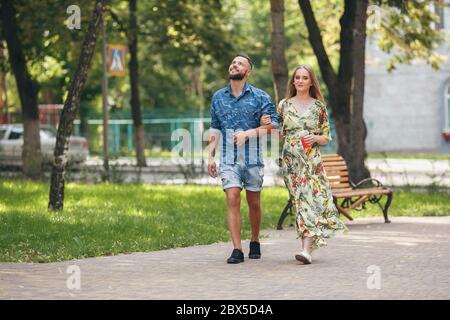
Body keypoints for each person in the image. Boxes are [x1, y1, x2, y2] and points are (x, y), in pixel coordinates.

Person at [261, 64, 347, 264]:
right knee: (300, 203)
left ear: (311, 82)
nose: (299, 80)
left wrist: (315, 138)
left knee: (309, 200)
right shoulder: (284, 104)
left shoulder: (318, 107)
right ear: (293, 81)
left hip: (311, 162)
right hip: (291, 162)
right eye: (297, 77)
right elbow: (278, 134)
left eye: (304, 78)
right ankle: (308, 245)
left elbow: (327, 137)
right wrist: (267, 123)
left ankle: (306, 250)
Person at [208, 53, 279, 264]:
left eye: (239, 63)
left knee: (254, 202)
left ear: (247, 72)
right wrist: (210, 157)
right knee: (232, 198)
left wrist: (249, 133)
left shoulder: (261, 97)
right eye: (233, 62)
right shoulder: (218, 97)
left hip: (253, 158)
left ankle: (255, 240)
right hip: (228, 158)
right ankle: (237, 249)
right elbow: (215, 128)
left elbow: (273, 126)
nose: (234, 65)